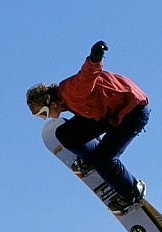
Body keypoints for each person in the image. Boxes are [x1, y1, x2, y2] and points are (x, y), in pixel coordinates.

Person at [27, 41, 150, 213]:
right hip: (109, 113)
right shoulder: (67, 102)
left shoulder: (71, 91)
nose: (44, 117)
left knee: (104, 159)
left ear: (51, 103)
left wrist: (95, 57)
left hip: (132, 112)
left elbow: (88, 74)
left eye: (43, 112)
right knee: (65, 134)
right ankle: (92, 159)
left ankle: (132, 192)